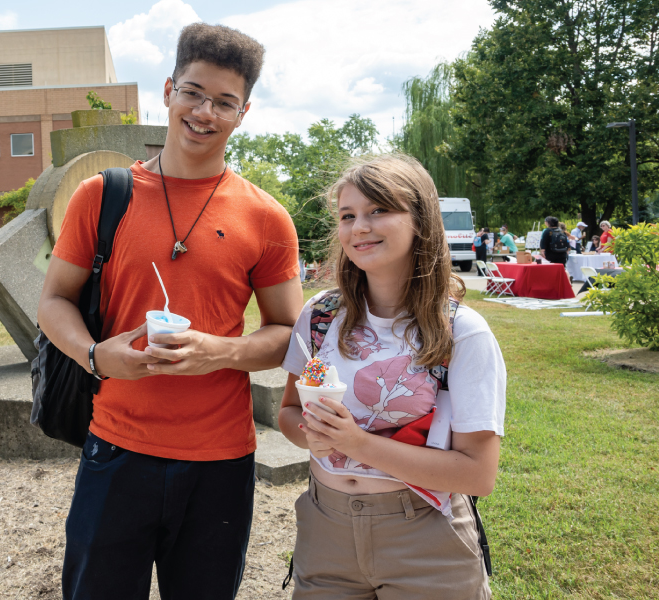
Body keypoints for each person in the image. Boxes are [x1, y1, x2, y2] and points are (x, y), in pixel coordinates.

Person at [37, 23, 302, 600]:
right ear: (167, 90)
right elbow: (52, 300)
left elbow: (289, 333)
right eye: (193, 92)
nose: (205, 111)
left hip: (221, 462)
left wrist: (221, 352)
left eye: (224, 101)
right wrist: (94, 355)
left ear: (243, 112)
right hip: (115, 450)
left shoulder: (267, 218)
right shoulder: (100, 196)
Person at [278, 154, 505, 599]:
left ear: (420, 220)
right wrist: (312, 435)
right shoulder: (321, 315)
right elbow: (289, 412)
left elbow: (479, 474)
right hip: (324, 531)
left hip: (424, 535)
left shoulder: (461, 331)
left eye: (378, 210)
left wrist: (356, 443)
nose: (359, 226)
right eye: (348, 216)